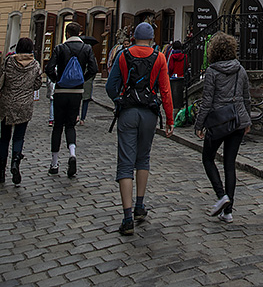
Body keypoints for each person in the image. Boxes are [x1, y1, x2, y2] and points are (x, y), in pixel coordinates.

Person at [106, 21, 174, 235]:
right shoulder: (160, 57)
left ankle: (127, 217)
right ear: (152, 38)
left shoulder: (123, 55)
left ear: (134, 36)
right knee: (143, 158)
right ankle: (140, 206)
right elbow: (165, 90)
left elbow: (110, 85)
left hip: (128, 111)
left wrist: (118, 99)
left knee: (125, 162)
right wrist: (170, 119)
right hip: (149, 112)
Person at [194, 32, 251, 224]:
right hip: (236, 121)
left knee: (208, 158)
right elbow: (246, 97)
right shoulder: (240, 70)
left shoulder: (212, 71)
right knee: (229, 164)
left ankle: (221, 196)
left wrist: (199, 124)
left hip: (218, 121)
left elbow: (207, 101)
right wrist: (247, 121)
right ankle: (228, 212)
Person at [45, 21, 98, 177]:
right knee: (70, 126)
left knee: (57, 127)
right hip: (77, 92)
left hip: (61, 91)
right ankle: (72, 154)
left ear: (67, 33)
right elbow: (93, 69)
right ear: (79, 33)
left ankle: (54, 164)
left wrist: (57, 80)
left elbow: (49, 68)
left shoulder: (60, 48)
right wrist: (82, 79)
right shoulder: (86, 48)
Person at [0, 37, 42, 185]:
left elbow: (1, 79)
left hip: (7, 104)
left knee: (4, 138)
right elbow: (37, 85)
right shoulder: (35, 65)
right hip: (24, 105)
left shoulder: (9, 62)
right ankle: (15, 163)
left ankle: (1, 171)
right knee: (19, 137)